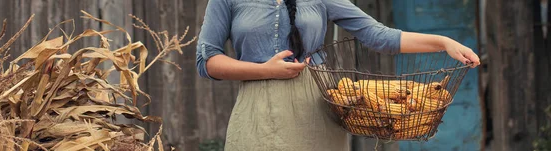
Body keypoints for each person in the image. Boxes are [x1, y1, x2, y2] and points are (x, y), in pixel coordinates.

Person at [195, 0, 480, 150]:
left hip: (315, 110)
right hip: (257, 112)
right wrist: (264, 70)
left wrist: (444, 42)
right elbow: (207, 60)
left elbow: (377, 35)